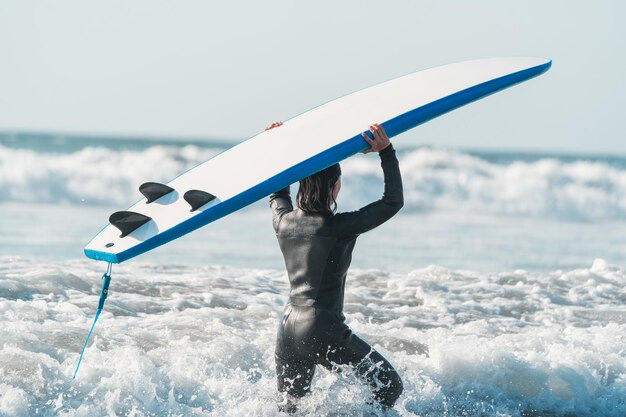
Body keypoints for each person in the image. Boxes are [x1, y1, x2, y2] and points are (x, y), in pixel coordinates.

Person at [267, 121, 404, 413]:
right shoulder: (338, 226)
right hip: (321, 326)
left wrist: (278, 145)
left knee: (290, 409)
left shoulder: (283, 222)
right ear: (335, 186)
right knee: (389, 386)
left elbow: (277, 193)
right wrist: (386, 152)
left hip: (287, 327)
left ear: (302, 183)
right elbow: (392, 202)